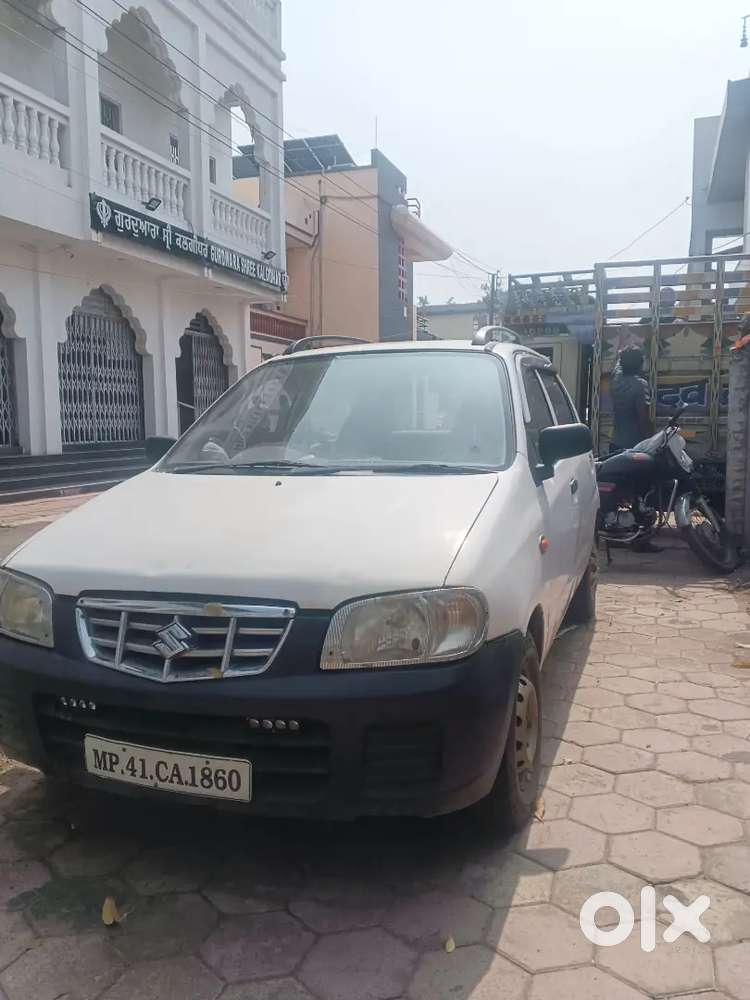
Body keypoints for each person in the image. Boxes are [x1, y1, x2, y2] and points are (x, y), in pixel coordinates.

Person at [611, 345, 653, 452]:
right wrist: (651, 441)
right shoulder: (640, 385)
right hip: (634, 447)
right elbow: (643, 418)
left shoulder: (616, 379)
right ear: (639, 364)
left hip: (615, 443)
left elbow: (618, 363)